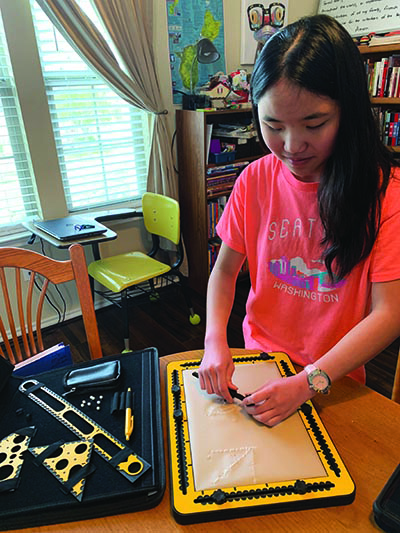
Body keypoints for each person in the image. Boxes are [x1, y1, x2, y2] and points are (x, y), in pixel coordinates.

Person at [198, 14, 400, 427]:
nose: (291, 146)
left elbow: (390, 314)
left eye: (314, 124)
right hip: (257, 364)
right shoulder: (254, 179)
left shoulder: (386, 193)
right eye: (273, 125)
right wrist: (214, 340)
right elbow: (224, 272)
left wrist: (308, 382)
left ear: (349, 112)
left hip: (332, 379)